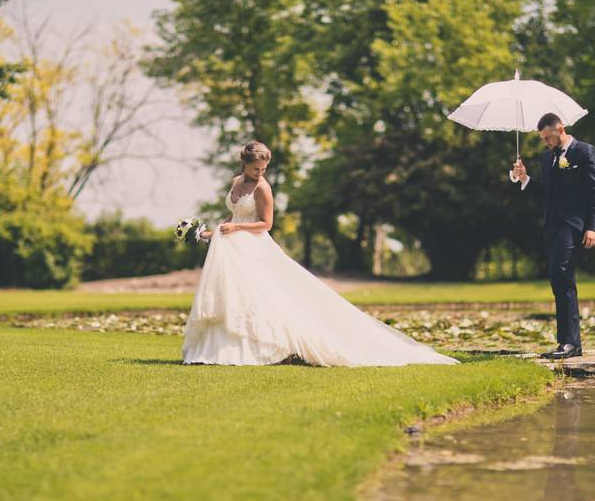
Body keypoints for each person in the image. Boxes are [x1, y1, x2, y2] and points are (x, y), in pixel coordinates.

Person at [183, 141, 458, 367]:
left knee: (262, 295)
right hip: (231, 246)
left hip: (253, 245)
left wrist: (235, 228)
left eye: (264, 168)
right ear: (244, 164)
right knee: (231, 295)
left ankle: (270, 347)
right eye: (256, 168)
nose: (260, 173)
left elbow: (266, 224)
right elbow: (233, 214)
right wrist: (209, 232)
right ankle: (221, 347)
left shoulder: (263, 188)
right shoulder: (236, 181)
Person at [512, 113, 595, 359]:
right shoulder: (547, 158)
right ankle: (565, 342)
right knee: (557, 278)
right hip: (551, 228)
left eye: (548, 138)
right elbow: (547, 193)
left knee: (562, 273)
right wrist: (525, 179)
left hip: (574, 226)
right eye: (542, 139)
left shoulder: (585, 152)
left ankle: (571, 344)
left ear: (560, 129)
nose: (545, 143)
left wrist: (593, 227)